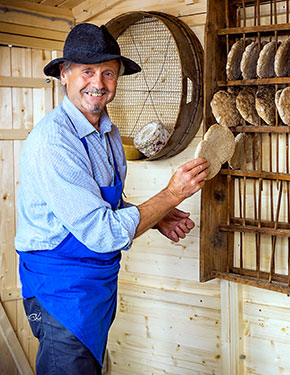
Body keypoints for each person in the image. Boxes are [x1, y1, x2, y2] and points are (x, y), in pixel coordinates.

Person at [14, 23, 209, 374]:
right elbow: (102, 233)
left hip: (94, 289)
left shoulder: (108, 132)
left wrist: (158, 214)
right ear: (64, 74)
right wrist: (171, 194)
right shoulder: (54, 142)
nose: (98, 84)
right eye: (87, 71)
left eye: (108, 73)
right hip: (60, 291)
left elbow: (103, 208)